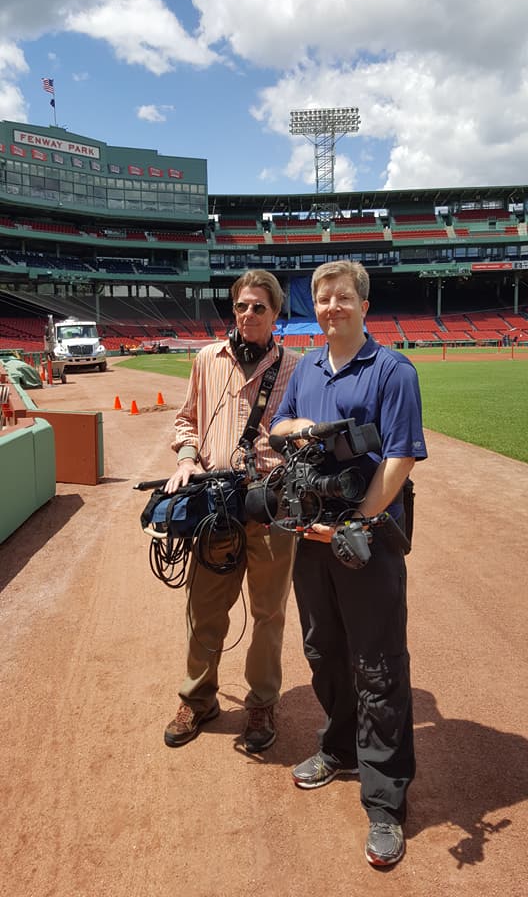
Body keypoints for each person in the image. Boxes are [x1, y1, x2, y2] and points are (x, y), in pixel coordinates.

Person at [271, 260, 427, 868]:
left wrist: (354, 518)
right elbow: (279, 423)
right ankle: (337, 745)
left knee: (379, 663)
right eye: (322, 298)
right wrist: (302, 425)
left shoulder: (392, 371)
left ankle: (386, 801)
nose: (331, 307)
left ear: (364, 304)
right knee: (323, 650)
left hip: (365, 536)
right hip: (309, 535)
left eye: (341, 297)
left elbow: (399, 459)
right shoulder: (306, 366)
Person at [162, 270, 298, 754]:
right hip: (214, 504)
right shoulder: (206, 360)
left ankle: (261, 702)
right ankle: (198, 699)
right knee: (204, 608)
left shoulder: (295, 367)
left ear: (275, 314)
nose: (247, 314)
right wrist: (185, 459)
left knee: (268, 613)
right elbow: (185, 419)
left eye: (259, 306)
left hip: (270, 505)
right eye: (241, 305)